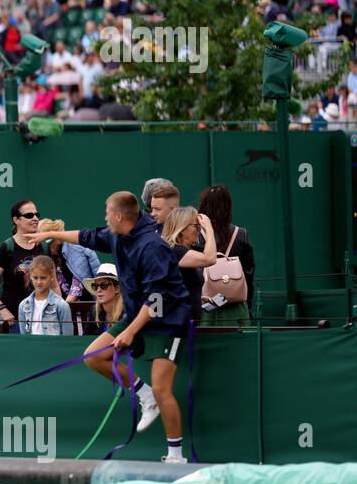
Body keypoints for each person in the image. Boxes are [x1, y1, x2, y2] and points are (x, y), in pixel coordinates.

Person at [40, 192, 193, 462]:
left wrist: (130, 331)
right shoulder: (116, 234)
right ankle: (144, 394)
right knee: (94, 355)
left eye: (107, 212)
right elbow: (86, 236)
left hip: (167, 319)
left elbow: (157, 299)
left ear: (120, 216)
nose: (105, 217)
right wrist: (51, 235)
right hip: (136, 313)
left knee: (163, 389)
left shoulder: (152, 247)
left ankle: (176, 457)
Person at [0, 198, 46, 333]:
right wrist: (2, 309)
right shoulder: (7, 248)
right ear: (16, 220)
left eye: (37, 214)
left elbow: (53, 283)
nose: (35, 218)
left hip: (43, 319)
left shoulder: (43, 246)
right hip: (15, 322)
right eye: (29, 215)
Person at [197, 184, 254, 326]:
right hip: (236, 307)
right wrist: (248, 305)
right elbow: (249, 274)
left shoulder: (196, 236)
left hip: (206, 307)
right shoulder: (241, 234)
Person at [161, 207, 218, 311]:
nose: (199, 230)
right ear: (182, 229)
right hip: (178, 318)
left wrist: (196, 298)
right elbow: (210, 259)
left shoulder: (179, 250)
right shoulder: (176, 251)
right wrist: (209, 228)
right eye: (196, 226)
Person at [17, 256, 74, 336]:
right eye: (35, 278)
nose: (39, 282)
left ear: (52, 277)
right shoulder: (23, 305)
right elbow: (24, 337)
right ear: (30, 276)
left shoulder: (62, 305)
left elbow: (67, 337)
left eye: (43, 278)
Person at [81, 263, 124, 336]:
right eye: (95, 286)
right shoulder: (95, 312)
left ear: (117, 288)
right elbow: (85, 338)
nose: (98, 290)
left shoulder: (126, 313)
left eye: (104, 285)